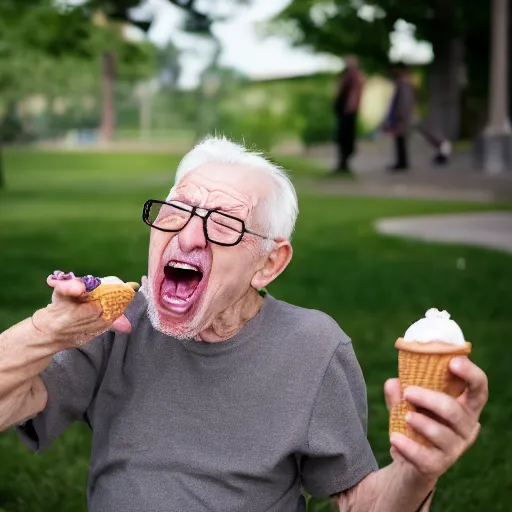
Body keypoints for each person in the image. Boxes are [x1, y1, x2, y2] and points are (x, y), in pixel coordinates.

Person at [0, 136, 488, 512]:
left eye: (224, 223)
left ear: (269, 264)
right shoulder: (115, 321)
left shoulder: (313, 347)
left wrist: (418, 473)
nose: (188, 236)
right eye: (178, 211)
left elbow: (359, 503)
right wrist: (48, 331)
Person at [333, 55, 365, 172]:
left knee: (347, 137)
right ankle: (343, 162)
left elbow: (356, 93)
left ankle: (345, 160)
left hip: (349, 112)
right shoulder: (346, 76)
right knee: (342, 137)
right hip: (343, 111)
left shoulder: (355, 77)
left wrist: (350, 107)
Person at [383, 62, 416, 171]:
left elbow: (404, 103)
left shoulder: (404, 85)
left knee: (400, 140)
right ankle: (401, 162)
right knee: (399, 141)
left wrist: (401, 118)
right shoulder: (403, 84)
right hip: (399, 117)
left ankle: (402, 163)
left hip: (400, 118)